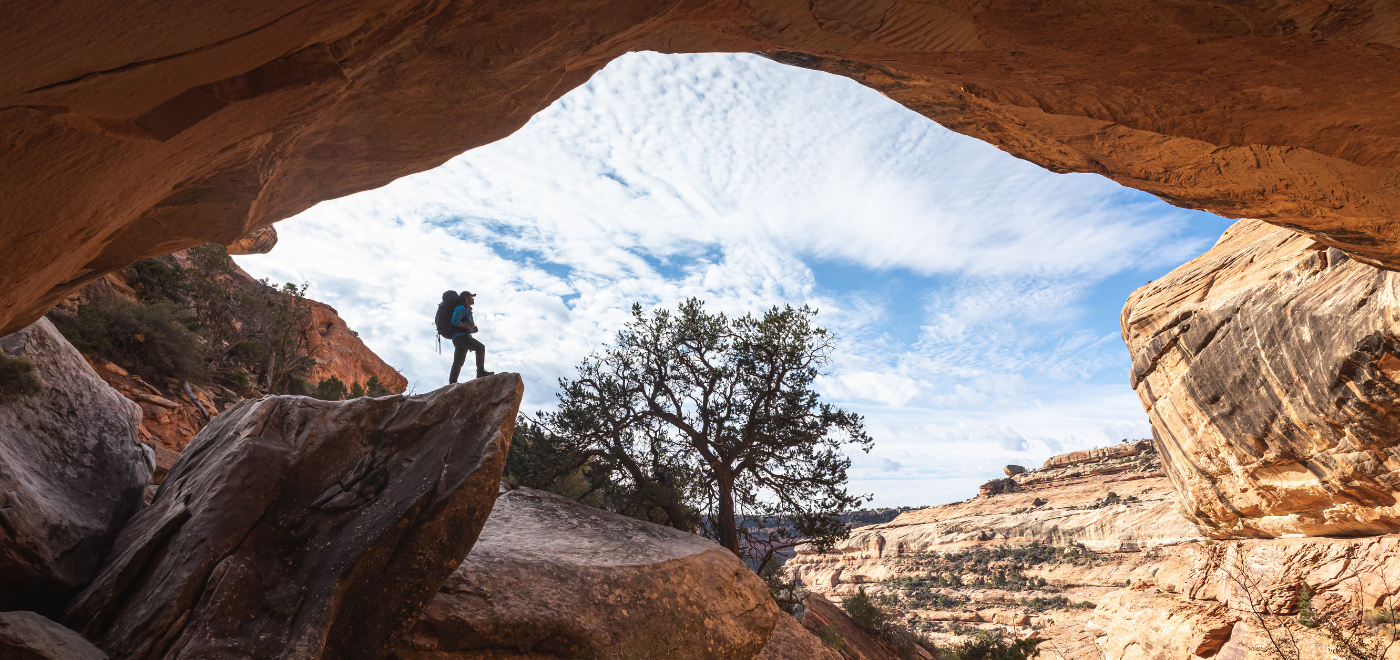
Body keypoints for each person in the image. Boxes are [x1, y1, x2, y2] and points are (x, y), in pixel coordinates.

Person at [448, 290, 492, 383]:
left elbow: (463, 326)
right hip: (461, 337)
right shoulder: (461, 308)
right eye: (471, 296)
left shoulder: (466, 309)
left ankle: (452, 383)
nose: (473, 298)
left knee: (458, 362)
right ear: (466, 298)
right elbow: (454, 321)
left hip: (459, 338)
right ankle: (480, 372)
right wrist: (468, 326)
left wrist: (472, 330)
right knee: (480, 347)